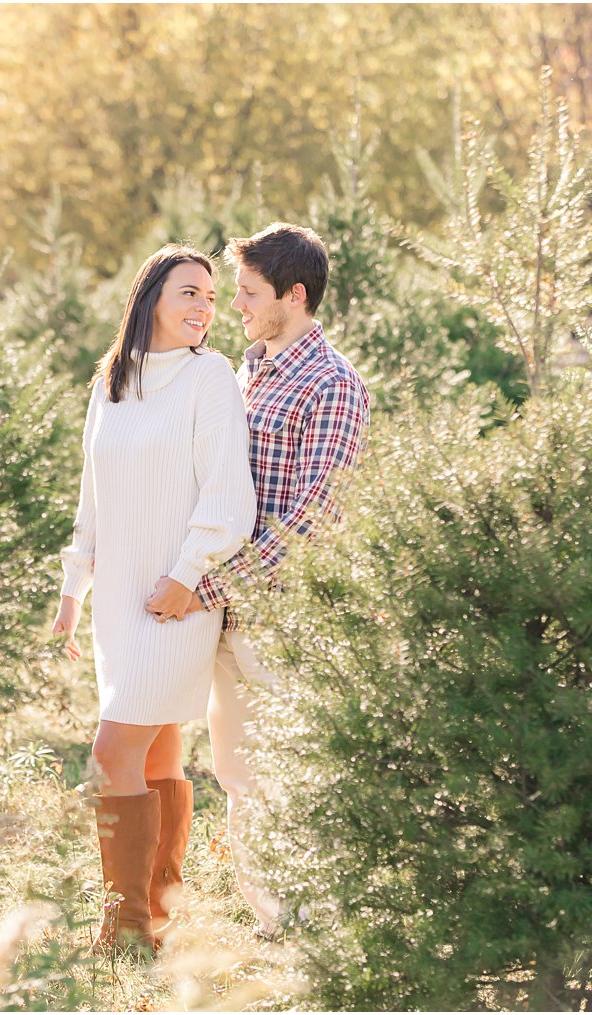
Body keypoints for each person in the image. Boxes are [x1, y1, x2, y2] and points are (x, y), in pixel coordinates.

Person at [150, 223, 371, 939]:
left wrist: (203, 588)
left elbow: (313, 517)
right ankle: (272, 923)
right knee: (237, 770)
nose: (234, 305)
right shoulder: (243, 372)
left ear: (295, 295)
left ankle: (317, 925)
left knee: (292, 773)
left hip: (282, 617)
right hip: (223, 613)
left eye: (248, 292)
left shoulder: (333, 385)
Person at [52, 244, 257, 953]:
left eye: (209, 295)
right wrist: (74, 586)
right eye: (188, 293)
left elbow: (231, 495)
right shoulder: (111, 380)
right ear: (150, 299)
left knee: (113, 753)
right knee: (159, 752)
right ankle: (161, 910)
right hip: (117, 601)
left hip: (176, 602)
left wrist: (185, 573)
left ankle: (128, 928)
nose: (204, 307)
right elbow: (92, 495)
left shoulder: (211, 378)